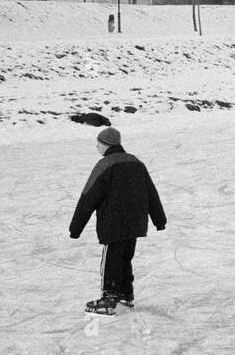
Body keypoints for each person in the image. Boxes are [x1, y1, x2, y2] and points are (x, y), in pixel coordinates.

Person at [70, 128, 167, 315]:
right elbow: (151, 193)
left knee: (111, 259)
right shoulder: (136, 162)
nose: (97, 146)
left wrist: (76, 228)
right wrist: (159, 220)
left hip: (114, 222)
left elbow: (88, 196)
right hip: (135, 221)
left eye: (99, 142)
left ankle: (109, 298)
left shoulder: (104, 164)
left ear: (107, 144)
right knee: (124, 257)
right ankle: (125, 294)